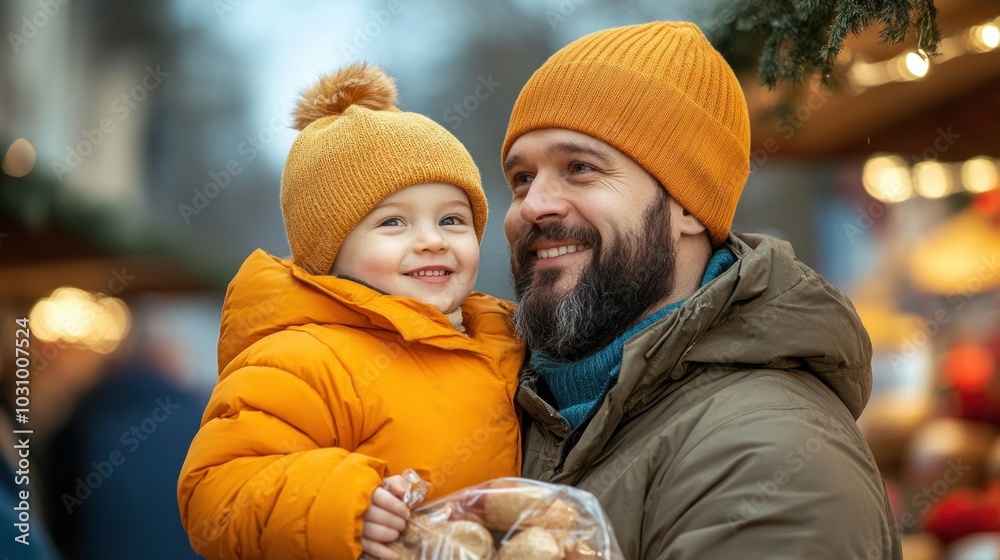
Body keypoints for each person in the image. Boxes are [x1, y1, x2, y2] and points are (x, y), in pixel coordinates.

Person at [501, 22, 901, 559]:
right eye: (522, 178)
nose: (532, 206)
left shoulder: (770, 460)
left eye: (580, 168)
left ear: (689, 206)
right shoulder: (508, 411)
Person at [177, 63, 524, 560]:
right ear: (330, 251)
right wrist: (342, 504)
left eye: (452, 219)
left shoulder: (507, 338)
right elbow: (218, 492)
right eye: (393, 223)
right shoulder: (305, 359)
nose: (432, 240)